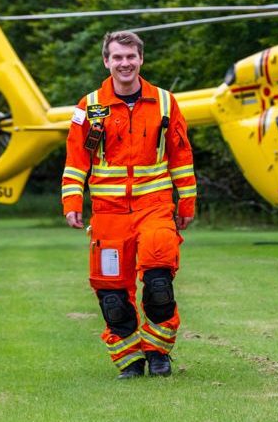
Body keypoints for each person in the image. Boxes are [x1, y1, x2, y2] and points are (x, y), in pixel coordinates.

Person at [61, 31, 197, 379]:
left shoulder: (166, 103)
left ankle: (158, 352)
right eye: (117, 57)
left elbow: (181, 156)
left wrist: (187, 203)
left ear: (141, 59)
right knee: (112, 298)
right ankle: (129, 360)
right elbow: (77, 159)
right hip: (108, 214)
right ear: (107, 61)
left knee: (158, 284)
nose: (125, 63)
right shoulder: (89, 107)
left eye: (131, 57)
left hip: (155, 207)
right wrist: (73, 200)